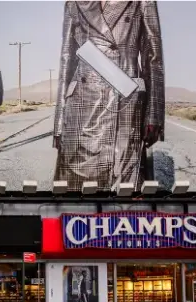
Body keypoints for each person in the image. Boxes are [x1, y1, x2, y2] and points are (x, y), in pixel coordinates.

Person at [53, 1, 164, 192]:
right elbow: (66, 58)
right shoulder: (74, 2)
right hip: (82, 104)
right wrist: (59, 120)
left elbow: (153, 58)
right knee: (74, 193)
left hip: (125, 101)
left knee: (124, 191)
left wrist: (154, 114)